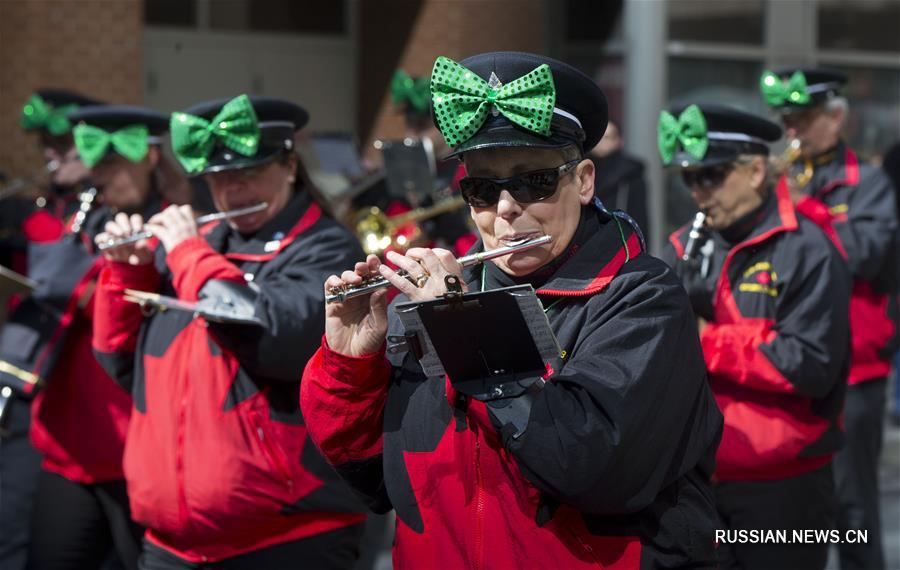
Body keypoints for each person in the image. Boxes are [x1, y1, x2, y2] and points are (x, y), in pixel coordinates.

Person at [301, 52, 723, 568]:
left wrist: (465, 326)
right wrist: (350, 370)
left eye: (533, 181)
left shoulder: (643, 296)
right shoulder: (440, 294)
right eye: (482, 189)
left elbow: (589, 463)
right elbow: (375, 477)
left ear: (584, 181)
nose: (505, 208)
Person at [91, 95, 367, 569]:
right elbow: (121, 365)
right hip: (169, 546)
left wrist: (186, 254)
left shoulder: (326, 247)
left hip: (286, 540)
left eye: (250, 174)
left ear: (290, 167)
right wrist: (129, 274)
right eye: (219, 179)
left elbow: (274, 337)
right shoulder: (197, 250)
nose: (233, 191)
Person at [660, 103, 852, 570]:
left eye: (712, 176)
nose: (699, 193)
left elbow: (810, 364)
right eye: (689, 180)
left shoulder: (807, 249)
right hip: (698, 478)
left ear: (755, 170)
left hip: (782, 485)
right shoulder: (684, 244)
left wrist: (707, 339)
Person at [22, 105, 181, 570]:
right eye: (97, 163)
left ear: (150, 158)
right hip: (69, 443)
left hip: (139, 445)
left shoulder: (176, 226)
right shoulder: (81, 218)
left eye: (115, 162)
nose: (102, 175)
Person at [760, 67, 898, 570]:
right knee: (804, 501)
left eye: (805, 119)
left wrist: (806, 208)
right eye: (788, 121)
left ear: (837, 120)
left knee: (854, 502)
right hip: (796, 363)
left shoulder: (869, 181)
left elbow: (865, 254)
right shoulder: (786, 176)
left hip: (857, 369)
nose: (793, 131)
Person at [0, 89, 97, 570]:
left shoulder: (96, 207)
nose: (48, 153)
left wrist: (25, 225)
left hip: (58, 396)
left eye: (59, 141)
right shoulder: (52, 204)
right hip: (17, 374)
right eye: (44, 143)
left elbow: (64, 269)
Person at [589, 120, 650, 242]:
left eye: (607, 138)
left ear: (618, 141)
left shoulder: (631, 175)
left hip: (621, 245)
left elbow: (640, 220)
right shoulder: (582, 171)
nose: (602, 143)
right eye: (599, 138)